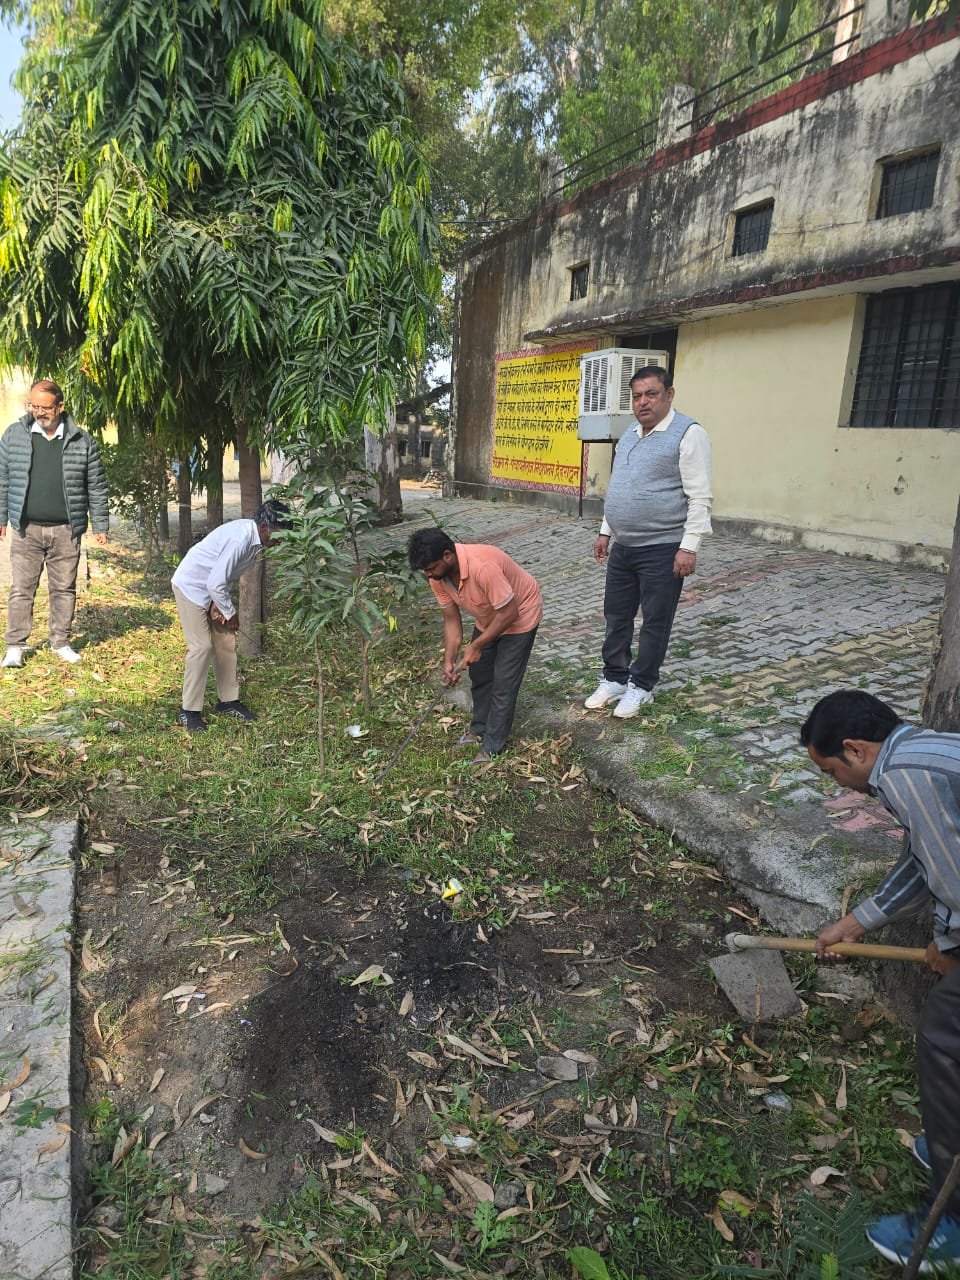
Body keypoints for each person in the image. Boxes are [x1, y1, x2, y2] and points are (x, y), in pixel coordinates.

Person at [802, 689, 960, 1269]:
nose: (838, 785)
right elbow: (925, 861)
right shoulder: (923, 752)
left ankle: (953, 1217)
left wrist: (951, 945)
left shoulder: (904, 778)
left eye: (831, 772)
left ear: (854, 749)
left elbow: (956, 881)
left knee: (944, 1038)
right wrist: (854, 923)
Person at [584, 365, 712, 719]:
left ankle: (642, 686)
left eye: (651, 394)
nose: (643, 402)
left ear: (669, 395)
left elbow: (700, 496)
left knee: (655, 620)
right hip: (624, 547)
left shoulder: (689, 434)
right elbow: (619, 487)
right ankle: (615, 678)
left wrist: (689, 546)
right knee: (616, 616)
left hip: (663, 547)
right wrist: (606, 531)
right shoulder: (630, 433)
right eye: (637, 396)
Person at [408, 528, 542, 763]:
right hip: (489, 616)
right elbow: (451, 621)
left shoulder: (483, 566)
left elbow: (509, 613)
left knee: (503, 683)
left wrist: (477, 645)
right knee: (480, 673)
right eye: (425, 571)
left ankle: (492, 746)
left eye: (431, 568)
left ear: (448, 555)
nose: (429, 575)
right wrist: (449, 660)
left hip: (519, 615)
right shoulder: (438, 578)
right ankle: (479, 728)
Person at [0, 380, 109, 667]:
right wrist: (1, 517)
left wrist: (100, 525)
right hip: (26, 529)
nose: (38, 412)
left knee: (64, 589)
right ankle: (15, 646)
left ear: (60, 406)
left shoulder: (82, 441)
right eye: (33, 406)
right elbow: (3, 479)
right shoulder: (14, 435)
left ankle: (60, 642)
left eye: (45, 407)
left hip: (66, 530)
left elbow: (96, 486)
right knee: (21, 589)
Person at [171, 500, 291, 732]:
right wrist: (230, 613)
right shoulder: (241, 539)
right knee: (201, 647)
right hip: (191, 587)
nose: (282, 540)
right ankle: (189, 711)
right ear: (264, 527)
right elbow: (215, 581)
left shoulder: (257, 541)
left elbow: (220, 577)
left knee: (225, 642)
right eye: (280, 534)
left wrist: (216, 604)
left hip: (211, 588)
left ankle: (227, 701)